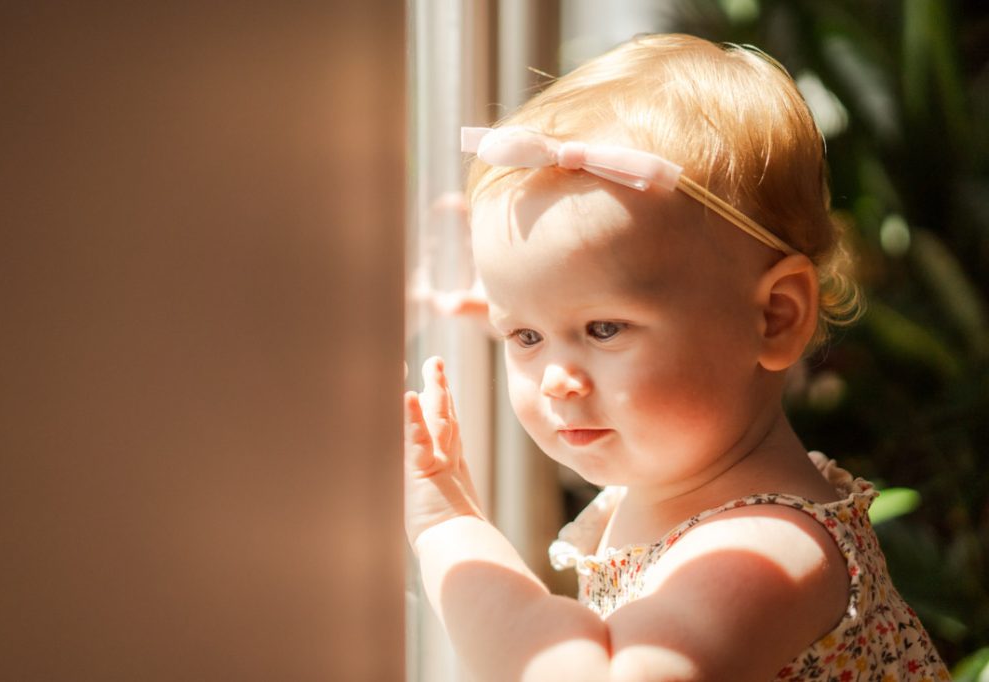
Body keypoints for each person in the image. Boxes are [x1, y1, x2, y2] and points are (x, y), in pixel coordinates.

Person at [404, 34, 949, 682]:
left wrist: (447, 526)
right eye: (524, 337)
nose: (556, 379)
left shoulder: (765, 551)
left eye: (604, 328)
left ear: (776, 318)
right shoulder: (690, 479)